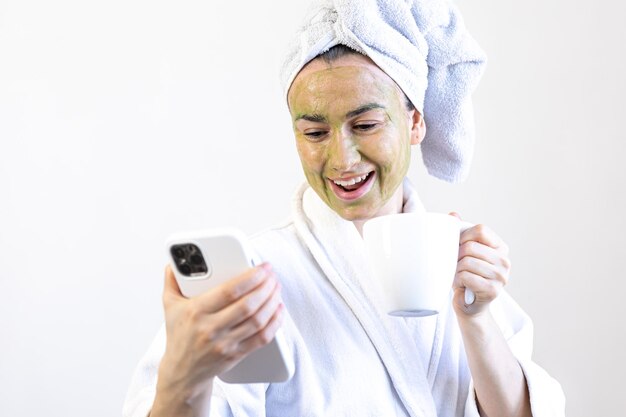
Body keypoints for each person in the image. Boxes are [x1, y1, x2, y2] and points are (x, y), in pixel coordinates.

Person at [123, 1, 566, 416]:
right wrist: (185, 375)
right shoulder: (256, 277)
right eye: (314, 133)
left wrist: (477, 317)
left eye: (366, 124)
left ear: (414, 122)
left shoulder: (463, 264)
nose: (343, 159)